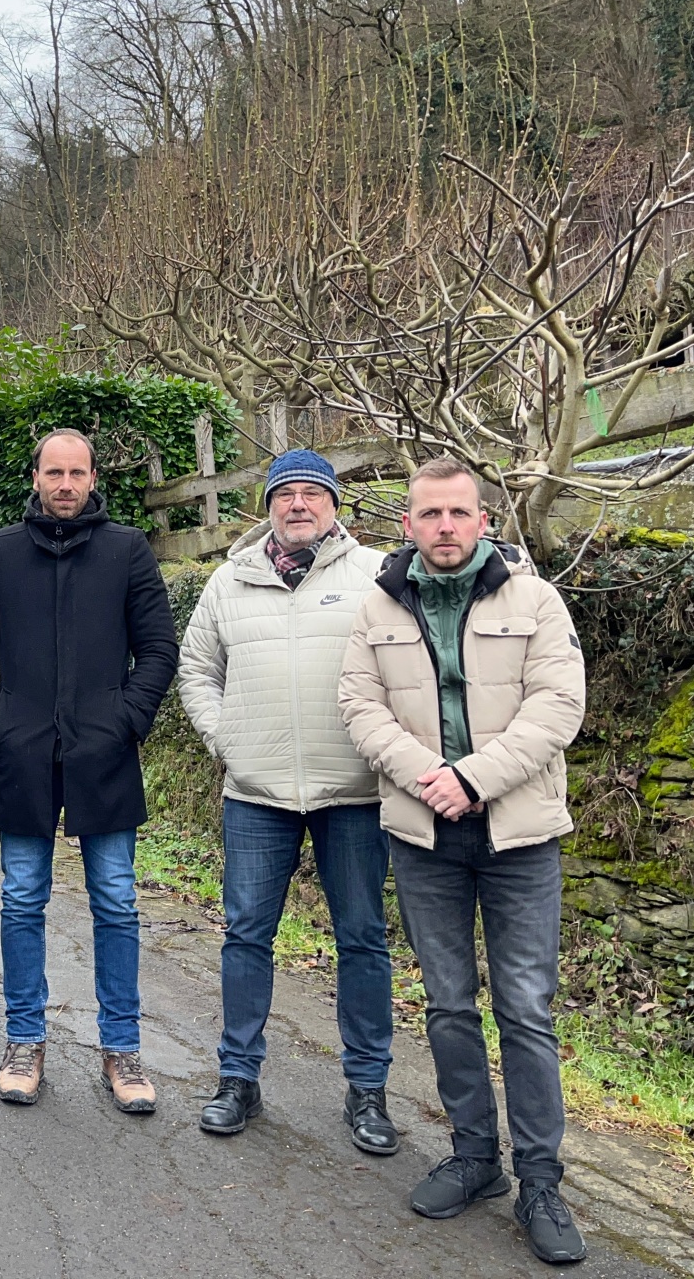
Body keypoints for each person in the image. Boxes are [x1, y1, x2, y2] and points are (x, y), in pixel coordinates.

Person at [338, 455, 588, 1266]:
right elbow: (358, 704)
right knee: (447, 1004)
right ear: (405, 526)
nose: (444, 527)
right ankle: (476, 1159)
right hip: (424, 836)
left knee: (525, 1007)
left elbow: (559, 705)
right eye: (429, 515)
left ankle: (541, 1182)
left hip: (518, 835)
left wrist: (473, 778)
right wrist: (428, 779)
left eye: (458, 513)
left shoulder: (536, 600)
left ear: (484, 520)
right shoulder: (377, 604)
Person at [0, 429, 178, 1112]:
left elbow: (159, 648)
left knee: (116, 901)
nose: (67, 484)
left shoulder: (127, 550)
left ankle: (123, 1051)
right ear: (37, 476)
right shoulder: (0, 552)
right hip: (22, 755)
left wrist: (125, 719)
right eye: (56, 472)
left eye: (78, 472)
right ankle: (25, 1041)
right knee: (22, 899)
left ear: (93, 476)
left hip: (104, 757)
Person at [176, 449, 397, 1153]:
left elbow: (405, 666)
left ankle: (369, 1091)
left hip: (354, 792)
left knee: (361, 938)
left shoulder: (376, 576)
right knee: (246, 936)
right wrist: (225, 740)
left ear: (336, 506)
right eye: (285, 494)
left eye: (313, 493)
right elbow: (196, 670)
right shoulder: (228, 581)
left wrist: (383, 748)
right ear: (266, 506)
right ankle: (237, 1079)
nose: (298, 504)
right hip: (256, 791)